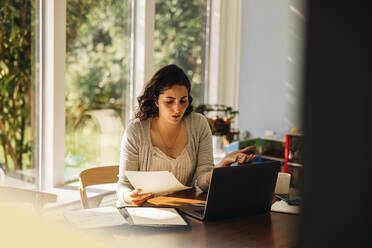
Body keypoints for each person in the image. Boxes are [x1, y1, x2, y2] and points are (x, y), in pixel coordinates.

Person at [116, 64, 257, 206]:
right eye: (169, 101)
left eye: (183, 101)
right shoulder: (136, 131)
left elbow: (202, 182)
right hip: (142, 212)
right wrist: (129, 196)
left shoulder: (199, 124)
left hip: (181, 211)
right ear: (155, 99)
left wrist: (222, 166)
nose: (177, 109)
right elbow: (124, 184)